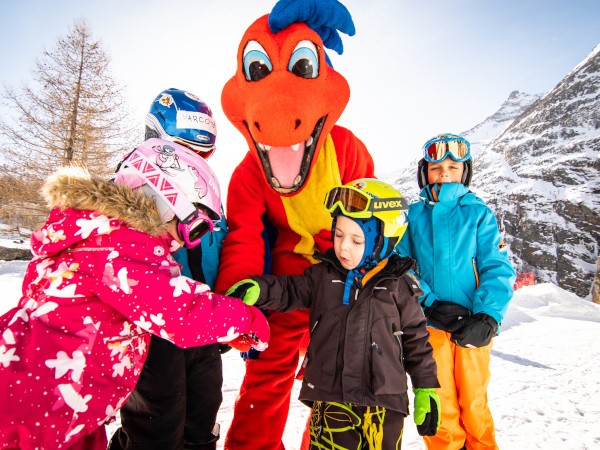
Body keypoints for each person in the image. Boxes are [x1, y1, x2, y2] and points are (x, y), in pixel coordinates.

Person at [0, 138, 269, 450]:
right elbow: (179, 312)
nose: (187, 243)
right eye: (193, 228)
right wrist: (243, 316)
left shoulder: (93, 237)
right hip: (42, 408)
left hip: (60, 402)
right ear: (164, 201)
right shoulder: (121, 245)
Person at [227, 178, 441, 450]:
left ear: (383, 241)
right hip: (331, 402)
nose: (343, 247)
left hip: (384, 407)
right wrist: (259, 289)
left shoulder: (400, 287)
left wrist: (425, 388)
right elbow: (289, 290)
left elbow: (416, 342)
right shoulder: (323, 276)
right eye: (338, 234)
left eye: (356, 239)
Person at [108, 88, 229, 450]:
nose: (192, 161)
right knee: (155, 425)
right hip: (151, 329)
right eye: (182, 150)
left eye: (202, 154)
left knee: (203, 416)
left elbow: (223, 254)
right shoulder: (136, 193)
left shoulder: (207, 203)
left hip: (200, 328)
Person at [398, 133, 516, 450]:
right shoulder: (414, 217)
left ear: (465, 171)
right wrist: (429, 304)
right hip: (429, 326)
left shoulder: (478, 214)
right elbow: (400, 266)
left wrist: (488, 316)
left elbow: (497, 266)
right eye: (437, 168)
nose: (445, 174)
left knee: (474, 404)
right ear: (425, 172)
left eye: (453, 166)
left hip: (471, 325)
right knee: (439, 408)